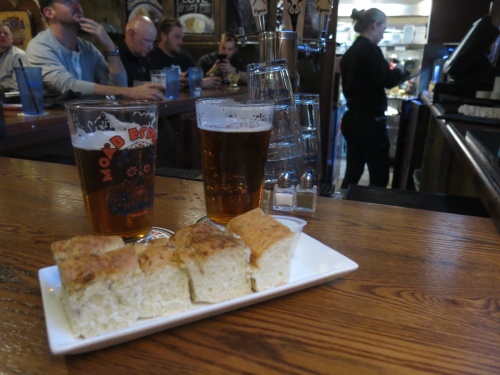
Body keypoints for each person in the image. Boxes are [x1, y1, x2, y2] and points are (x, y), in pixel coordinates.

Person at [25, 0, 164, 100]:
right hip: (55, 128)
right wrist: (130, 92)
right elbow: (68, 86)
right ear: (49, 12)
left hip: (92, 122)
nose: (76, 5)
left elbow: (118, 85)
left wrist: (110, 46)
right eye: (67, 1)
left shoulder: (87, 47)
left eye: (76, 0)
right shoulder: (39, 46)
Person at [339, 8, 409, 189]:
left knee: (352, 173)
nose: (383, 35)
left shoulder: (350, 52)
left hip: (352, 120)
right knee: (379, 177)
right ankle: (374, 215)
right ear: (374, 25)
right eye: (383, 29)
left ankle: (343, 210)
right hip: (370, 123)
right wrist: (401, 71)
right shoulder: (370, 50)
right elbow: (387, 79)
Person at [148, 17, 220, 89]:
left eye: (182, 38)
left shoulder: (184, 56)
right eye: (177, 37)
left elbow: (201, 76)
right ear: (163, 36)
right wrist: (195, 83)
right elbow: (151, 84)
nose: (181, 42)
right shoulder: (151, 57)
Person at [117, 15, 156, 87]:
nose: (151, 47)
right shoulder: (114, 55)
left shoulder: (144, 54)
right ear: (131, 35)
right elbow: (119, 85)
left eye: (153, 42)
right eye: (147, 40)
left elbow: (155, 77)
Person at [0, 24, 26, 91]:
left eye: (6, 33)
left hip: (9, 97)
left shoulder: (19, 56)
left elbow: (17, 86)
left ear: (11, 38)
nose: (2, 35)